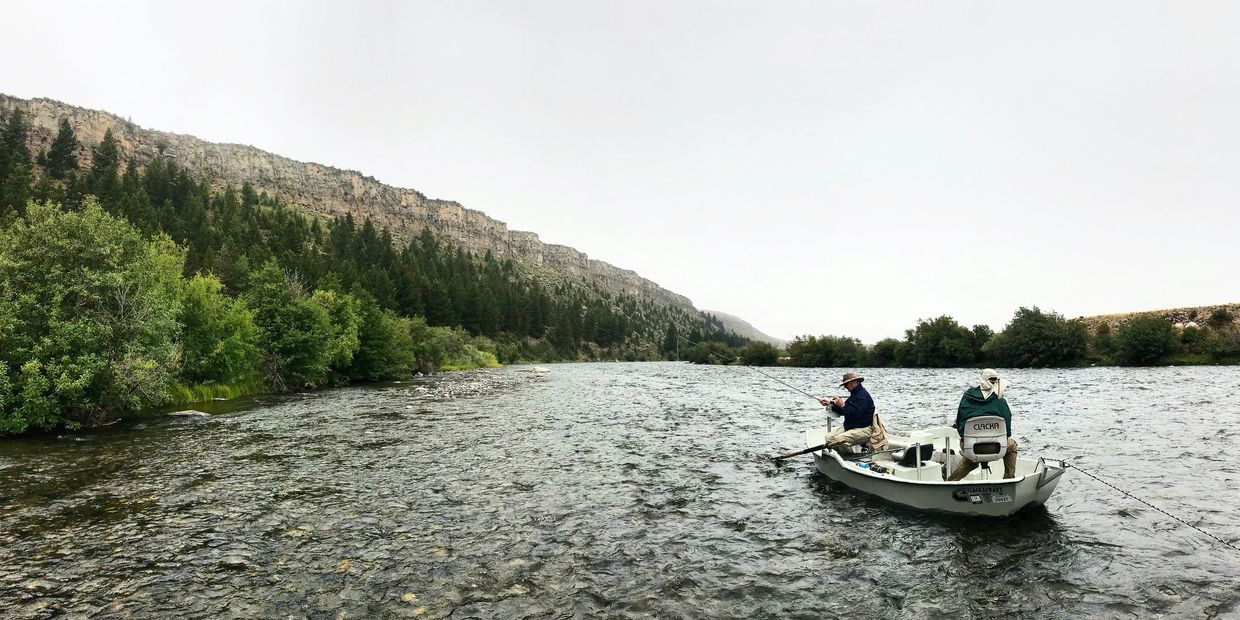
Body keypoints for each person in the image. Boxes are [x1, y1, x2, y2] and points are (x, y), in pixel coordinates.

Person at [948, 368, 1018, 480]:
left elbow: (960, 427)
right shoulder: (1000, 401)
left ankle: (951, 483)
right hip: (997, 447)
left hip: (972, 448)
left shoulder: (967, 397)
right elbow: (1008, 432)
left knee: (970, 460)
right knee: (1012, 446)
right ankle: (1009, 479)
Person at [817, 371, 885, 454]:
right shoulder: (854, 395)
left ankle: (850, 458)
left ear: (854, 382)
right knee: (828, 438)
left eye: (846, 384)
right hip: (850, 428)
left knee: (840, 440)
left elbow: (855, 414)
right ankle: (843, 455)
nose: (845, 387)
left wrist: (842, 405)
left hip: (864, 429)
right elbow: (844, 411)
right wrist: (830, 404)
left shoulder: (863, 396)